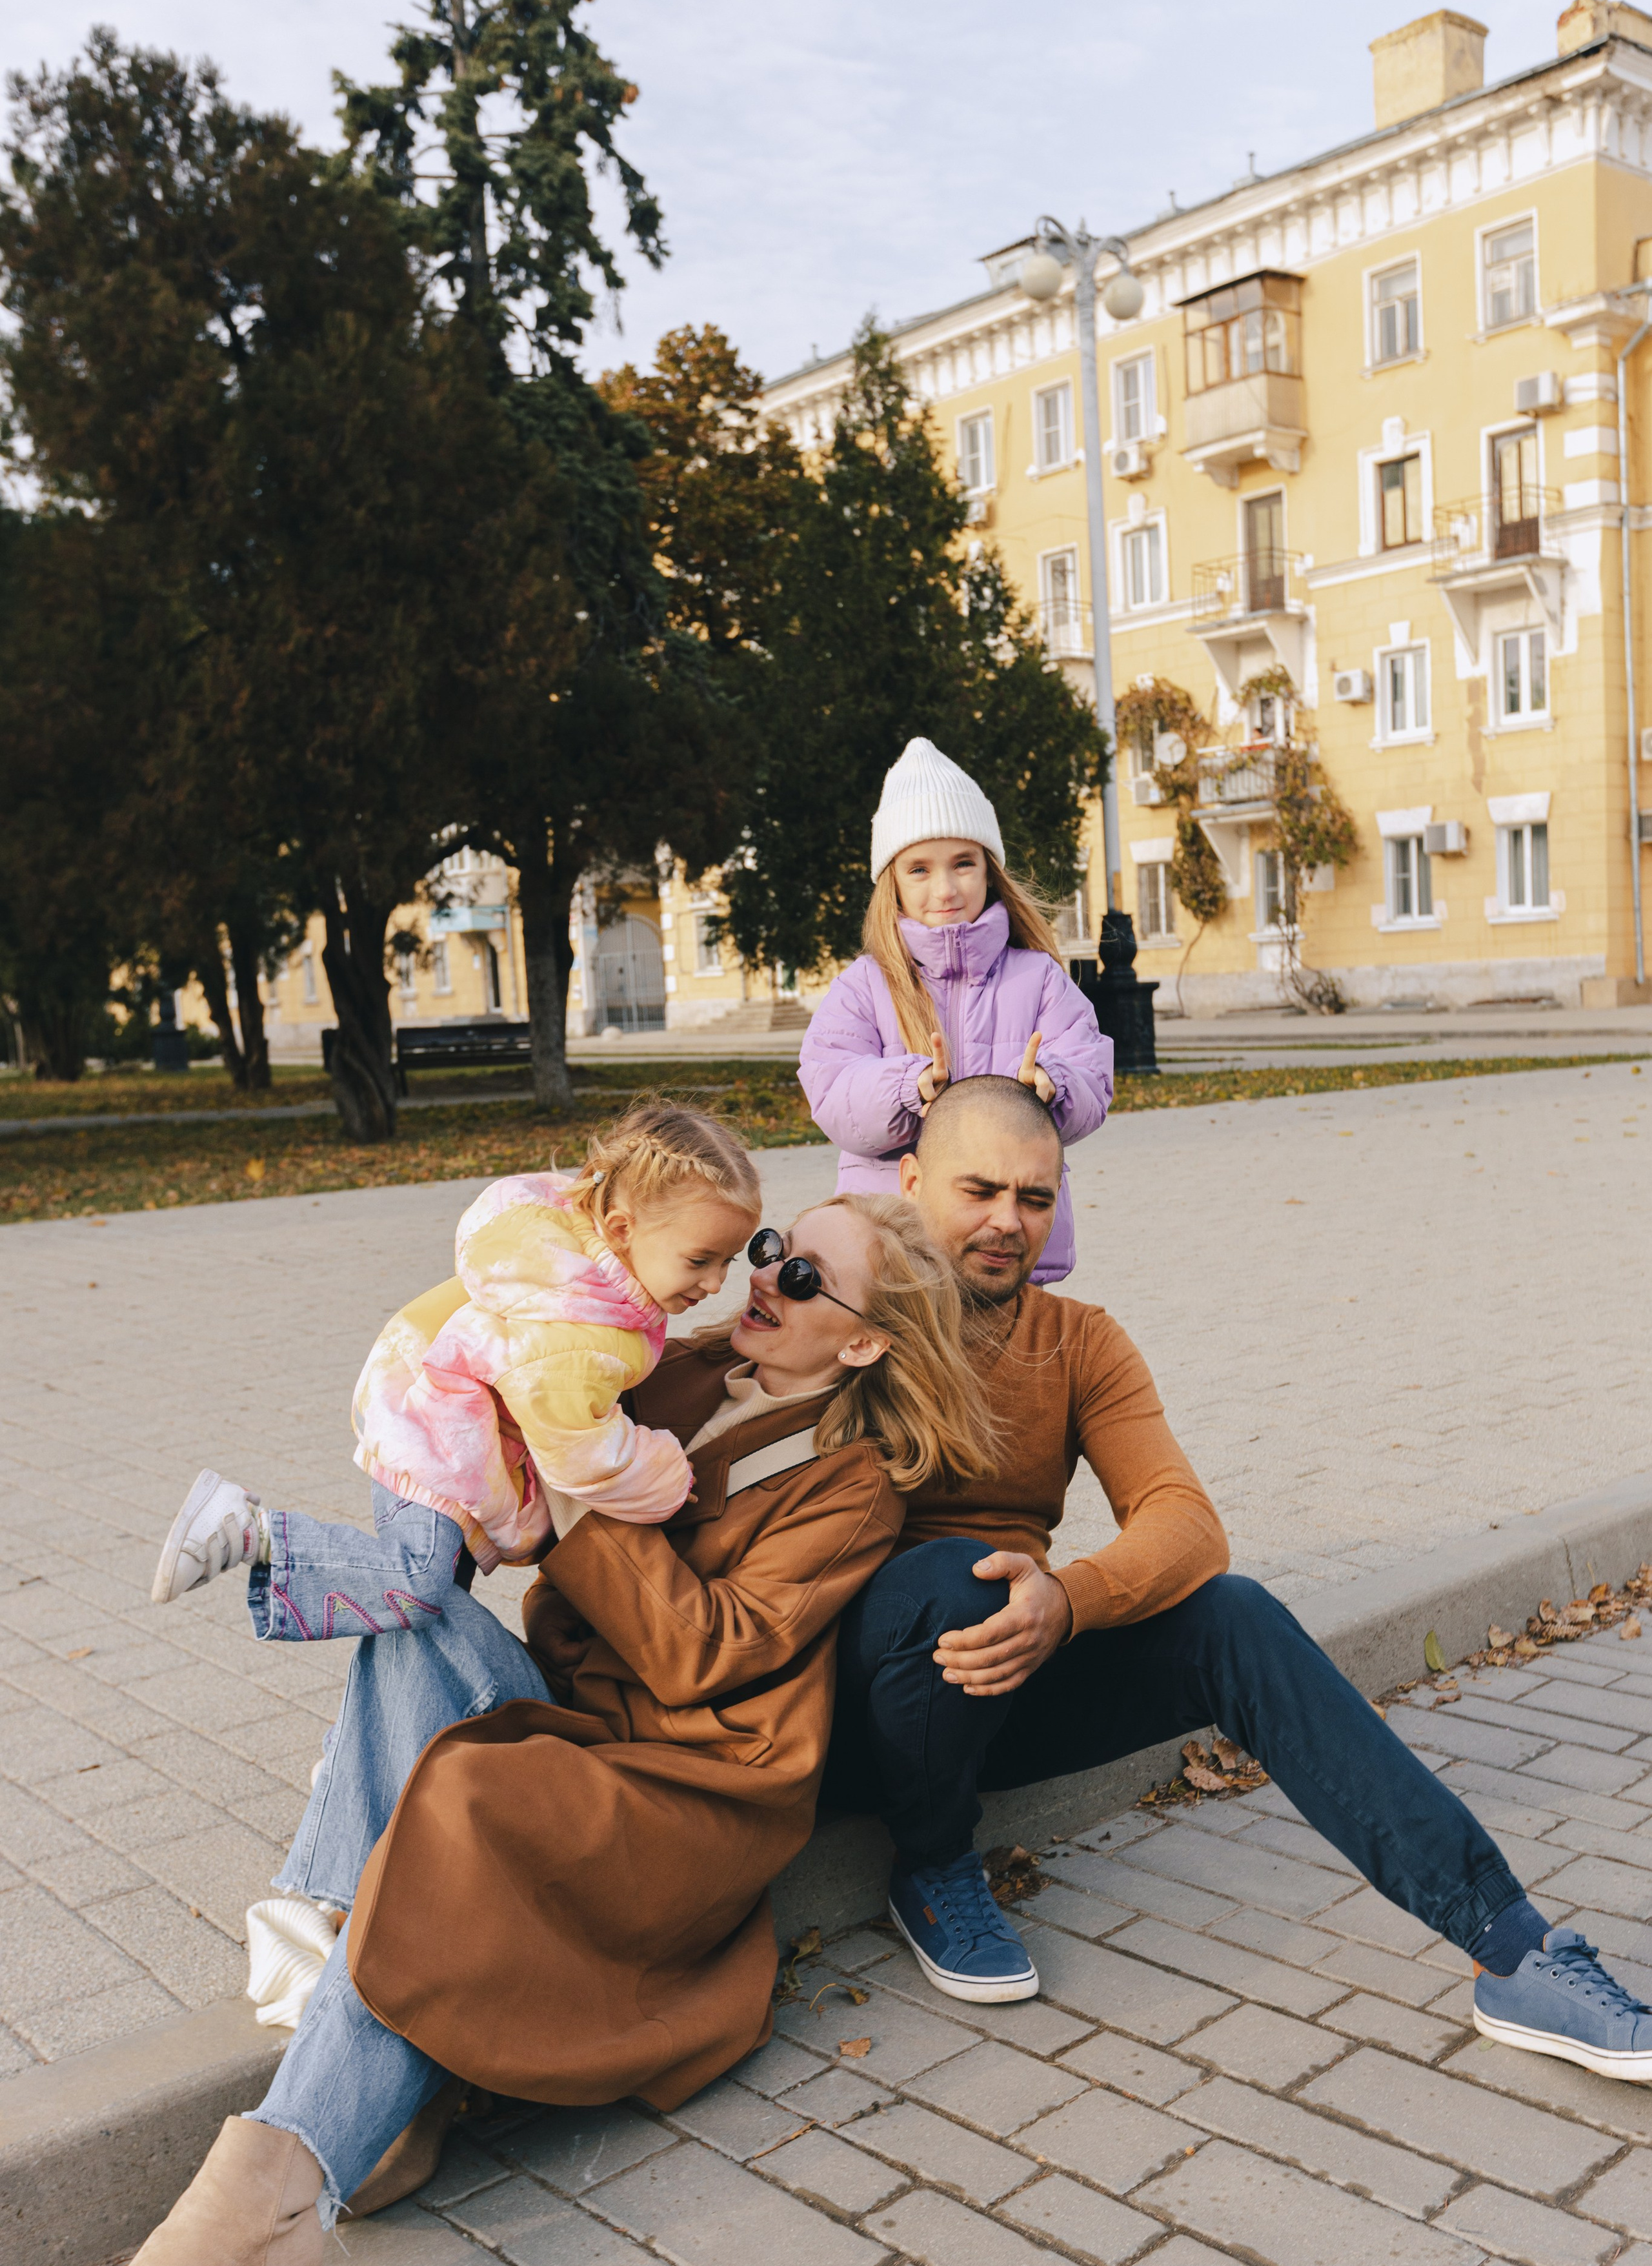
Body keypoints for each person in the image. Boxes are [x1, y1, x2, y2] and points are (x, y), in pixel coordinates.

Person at [0, 1192, 996, 2266]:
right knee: (411, 1619)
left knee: (468, 1796)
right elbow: (504, 1427)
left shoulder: (856, 1487)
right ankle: (359, 2063)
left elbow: (702, 1653)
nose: (764, 1275)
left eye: (802, 1277)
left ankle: (252, 2218)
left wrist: (577, 1481)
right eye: (771, 1248)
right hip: (579, 1719)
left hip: (687, 1791)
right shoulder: (680, 1369)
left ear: (866, 1341)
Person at [826, 1071, 1652, 2085]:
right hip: (849, 1713)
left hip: (1002, 1683)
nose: (1008, 1221)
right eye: (980, 1190)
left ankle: (1510, 1947)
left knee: (1235, 1614)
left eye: (1035, 1197)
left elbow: (1186, 1523)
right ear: (911, 1182)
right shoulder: (840, 1304)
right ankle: (934, 1862)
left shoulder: (1080, 1341)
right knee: (959, 1575)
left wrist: (1069, 1600)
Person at [148, 1099, 761, 1623]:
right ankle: (249, 1532)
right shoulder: (575, 1326)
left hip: (445, 1419)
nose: (716, 1283)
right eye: (699, 1259)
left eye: (728, 1261)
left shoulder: (589, 1268)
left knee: (426, 1605)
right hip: (432, 1428)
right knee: (418, 1585)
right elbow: (582, 1456)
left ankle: (364, 1735)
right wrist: (664, 1474)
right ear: (623, 1229)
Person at [799, 734, 1113, 1284]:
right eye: (919, 869)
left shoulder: (1039, 978)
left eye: (963, 863)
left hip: (1006, 1248)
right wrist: (906, 1088)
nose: (945, 889)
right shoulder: (864, 986)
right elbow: (831, 1091)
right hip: (897, 1249)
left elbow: (1093, 1079)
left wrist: (1054, 1086)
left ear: (990, 869)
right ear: (892, 882)